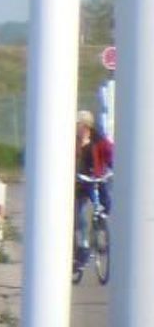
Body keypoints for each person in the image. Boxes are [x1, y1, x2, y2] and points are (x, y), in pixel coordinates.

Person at [73, 109, 114, 267]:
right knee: (81, 214)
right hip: (81, 181)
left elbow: (111, 153)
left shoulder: (98, 140)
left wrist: (112, 168)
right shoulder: (73, 141)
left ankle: (100, 229)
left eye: (79, 125)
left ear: (86, 126)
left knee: (106, 204)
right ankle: (83, 245)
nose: (77, 128)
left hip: (96, 178)